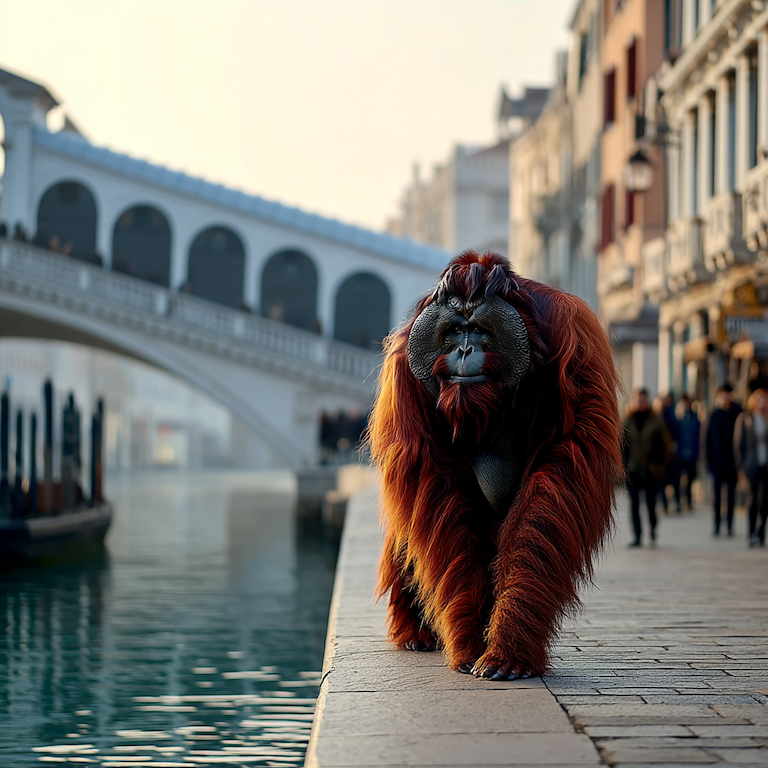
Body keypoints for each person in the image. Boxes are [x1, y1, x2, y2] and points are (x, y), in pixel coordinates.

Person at [624, 388, 668, 547]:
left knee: (650, 505)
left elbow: (662, 447)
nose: (640, 402)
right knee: (634, 505)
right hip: (633, 470)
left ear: (647, 400)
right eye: (638, 399)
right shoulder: (628, 420)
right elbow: (623, 446)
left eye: (643, 399)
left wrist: (657, 465)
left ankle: (653, 528)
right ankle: (637, 536)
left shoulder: (655, 421)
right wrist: (623, 467)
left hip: (650, 471)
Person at [706, 383, 742, 536]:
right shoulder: (715, 414)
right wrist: (708, 459)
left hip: (732, 461)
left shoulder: (737, 412)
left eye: (727, 393)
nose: (725, 396)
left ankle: (729, 525)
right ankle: (717, 524)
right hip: (717, 461)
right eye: (722, 394)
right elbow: (708, 438)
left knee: (731, 496)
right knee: (717, 496)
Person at [734, 388, 768, 547]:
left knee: (765, 501)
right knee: (753, 500)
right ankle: (751, 532)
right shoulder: (746, 419)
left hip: (765, 464)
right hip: (752, 465)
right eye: (760, 399)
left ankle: (761, 532)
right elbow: (738, 444)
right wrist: (741, 465)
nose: (763, 402)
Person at [676, 394, 700, 511]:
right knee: (679, 478)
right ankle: (679, 501)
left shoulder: (695, 418)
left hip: (692, 453)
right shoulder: (678, 419)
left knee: (690, 478)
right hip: (680, 453)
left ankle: (689, 501)